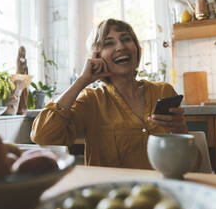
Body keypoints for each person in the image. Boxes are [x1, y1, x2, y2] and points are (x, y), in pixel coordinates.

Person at [31, 19, 188, 169]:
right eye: (109, 43)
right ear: (97, 57)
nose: (120, 47)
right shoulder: (91, 100)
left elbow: (190, 163)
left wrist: (179, 127)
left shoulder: (164, 91)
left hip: (163, 191)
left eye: (126, 39)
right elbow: (43, 136)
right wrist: (81, 81)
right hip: (112, 192)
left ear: (136, 48)